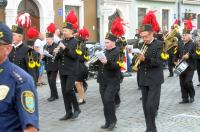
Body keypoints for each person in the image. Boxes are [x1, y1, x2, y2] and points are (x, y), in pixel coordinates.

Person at [0, 23, 39, 131]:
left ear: (8, 49)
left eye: (15, 35)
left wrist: (34, 82)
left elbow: (30, 128)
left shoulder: (22, 81)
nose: (14, 37)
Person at [137, 24, 164, 132]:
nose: (144, 39)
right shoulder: (141, 45)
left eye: (146, 36)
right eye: (142, 37)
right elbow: (139, 62)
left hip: (154, 79)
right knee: (145, 106)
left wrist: (145, 59)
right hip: (144, 79)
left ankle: (151, 128)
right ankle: (150, 128)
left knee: (150, 106)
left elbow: (159, 62)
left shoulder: (160, 44)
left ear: (152, 34)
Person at [55, 10, 81, 120]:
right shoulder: (61, 42)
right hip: (63, 70)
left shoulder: (77, 42)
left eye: (66, 30)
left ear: (71, 31)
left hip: (72, 70)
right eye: (63, 30)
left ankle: (77, 109)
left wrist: (64, 49)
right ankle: (68, 112)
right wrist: (56, 53)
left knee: (69, 89)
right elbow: (58, 57)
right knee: (64, 92)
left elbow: (76, 56)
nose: (64, 32)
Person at [176, 27, 196, 104]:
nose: (183, 36)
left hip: (190, 66)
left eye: (185, 35)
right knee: (182, 82)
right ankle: (185, 98)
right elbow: (176, 54)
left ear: (189, 36)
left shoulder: (193, 44)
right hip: (181, 65)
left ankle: (192, 96)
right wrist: (175, 60)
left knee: (188, 81)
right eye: (183, 35)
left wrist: (189, 56)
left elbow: (196, 54)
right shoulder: (180, 43)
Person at [43, 30, 59, 102]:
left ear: (52, 39)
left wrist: (51, 54)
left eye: (48, 39)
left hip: (54, 66)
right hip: (47, 65)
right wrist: (43, 56)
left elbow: (58, 56)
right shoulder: (45, 46)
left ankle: (53, 96)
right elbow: (44, 57)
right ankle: (55, 95)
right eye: (46, 39)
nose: (47, 40)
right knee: (49, 81)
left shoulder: (56, 46)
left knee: (52, 81)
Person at [75, 28, 89, 104]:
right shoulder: (78, 43)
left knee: (78, 82)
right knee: (79, 83)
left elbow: (85, 58)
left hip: (80, 66)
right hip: (77, 65)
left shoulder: (83, 46)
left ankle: (81, 98)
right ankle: (82, 98)